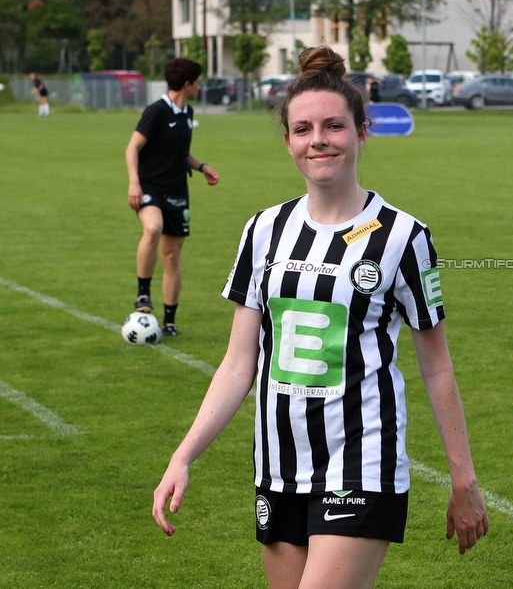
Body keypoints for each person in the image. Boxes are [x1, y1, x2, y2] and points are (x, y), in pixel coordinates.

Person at [152, 45, 489, 588]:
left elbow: (437, 367)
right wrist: (183, 455)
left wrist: (463, 480)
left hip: (362, 462)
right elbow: (239, 364)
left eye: (334, 126)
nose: (319, 140)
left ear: (361, 131)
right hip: (279, 467)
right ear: (288, 141)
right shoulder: (263, 230)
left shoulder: (403, 236)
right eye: (304, 129)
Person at [125, 58, 219, 337]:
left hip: (177, 190)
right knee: (152, 228)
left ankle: (169, 321)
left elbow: (180, 152)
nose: (199, 87)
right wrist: (134, 183)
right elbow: (132, 148)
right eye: (198, 83)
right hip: (149, 186)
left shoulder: (187, 113)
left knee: (172, 256)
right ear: (187, 84)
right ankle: (143, 295)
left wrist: (202, 166)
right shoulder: (156, 111)